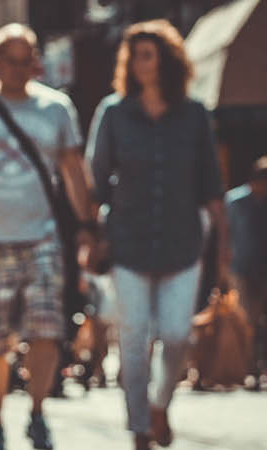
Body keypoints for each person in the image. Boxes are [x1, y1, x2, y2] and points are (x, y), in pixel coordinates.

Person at [0, 23, 97, 450]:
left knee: (46, 330)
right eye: (11, 61)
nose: (19, 70)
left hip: (41, 238)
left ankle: (38, 412)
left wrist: (87, 227)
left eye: (27, 62)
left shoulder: (55, 108)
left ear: (36, 63)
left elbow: (74, 172)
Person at [86, 20, 228, 450]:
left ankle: (160, 404)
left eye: (147, 54)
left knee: (177, 334)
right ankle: (138, 429)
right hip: (127, 242)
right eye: (133, 56)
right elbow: (95, 181)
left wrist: (225, 244)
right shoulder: (113, 113)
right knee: (132, 340)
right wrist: (92, 236)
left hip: (183, 244)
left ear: (166, 60)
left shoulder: (194, 115)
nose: (138, 64)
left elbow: (210, 184)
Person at [228, 156, 267, 391]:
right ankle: (247, 368)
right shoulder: (235, 202)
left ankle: (257, 367)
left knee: (258, 320)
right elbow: (226, 235)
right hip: (241, 268)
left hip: (263, 268)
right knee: (246, 321)